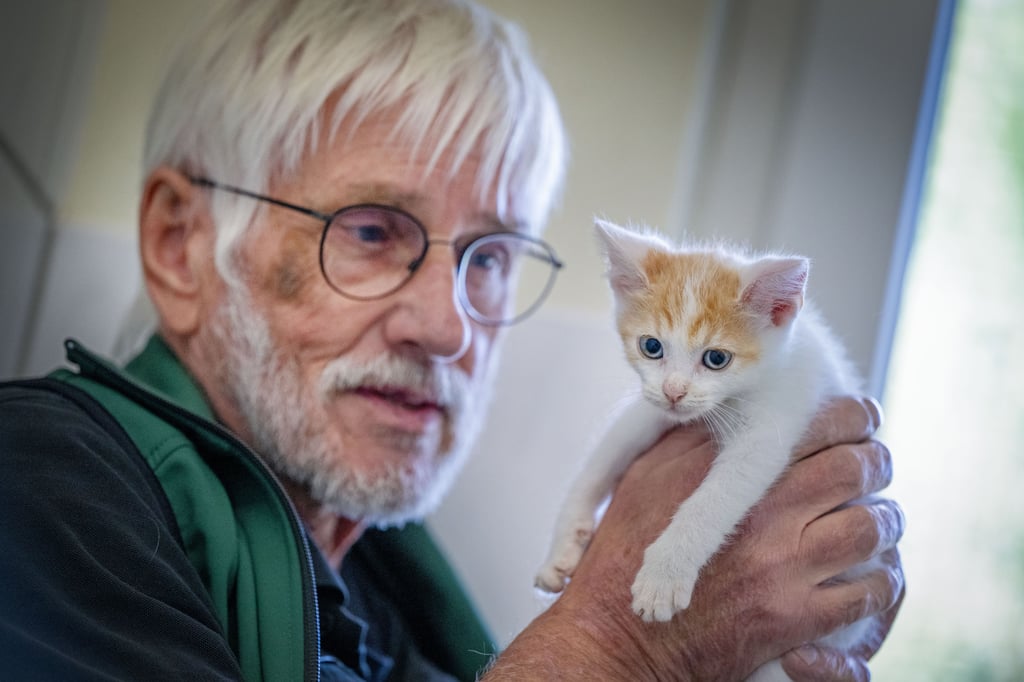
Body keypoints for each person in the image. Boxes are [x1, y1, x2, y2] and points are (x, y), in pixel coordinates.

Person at [0, 1, 904, 680]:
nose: (445, 326)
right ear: (181, 246)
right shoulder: (38, 484)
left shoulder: (393, 590)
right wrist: (618, 644)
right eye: (369, 231)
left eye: (490, 256)